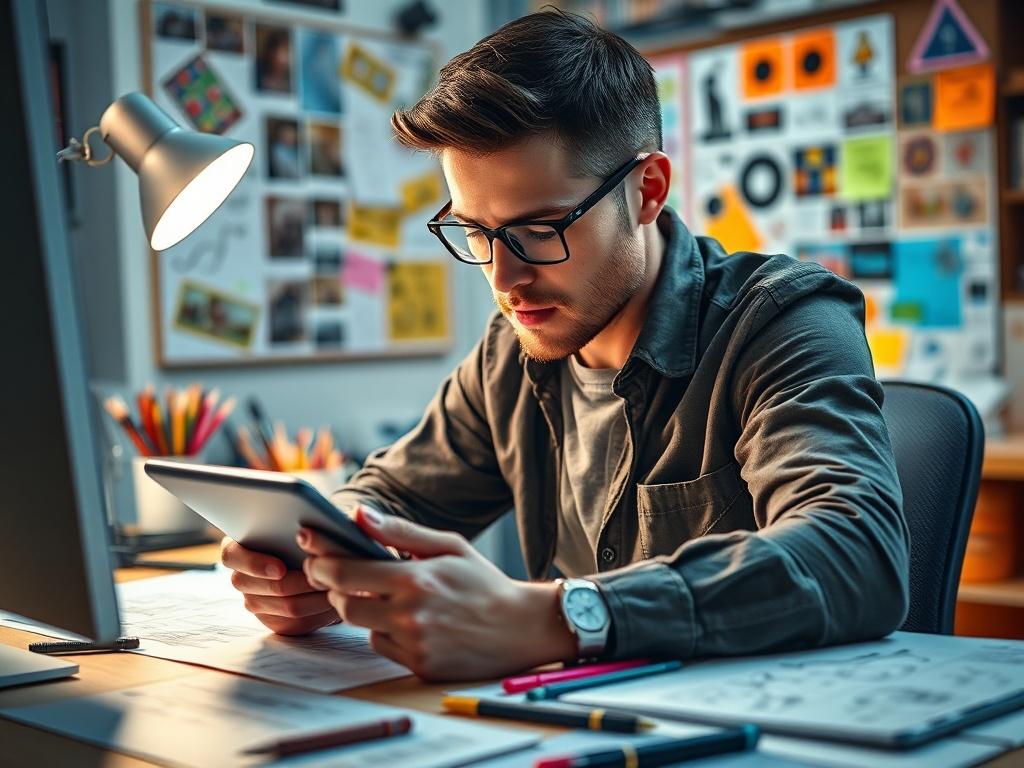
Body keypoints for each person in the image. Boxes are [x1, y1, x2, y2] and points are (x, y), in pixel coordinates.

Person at [222, 10, 909, 681]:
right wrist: (318, 554)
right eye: (477, 232)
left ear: (648, 189)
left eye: (541, 229)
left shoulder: (782, 323)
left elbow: (857, 553)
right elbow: (387, 496)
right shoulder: (512, 353)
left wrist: (560, 618)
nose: (505, 278)